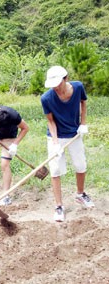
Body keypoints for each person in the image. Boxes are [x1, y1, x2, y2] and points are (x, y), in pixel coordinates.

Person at [41, 65, 94, 222]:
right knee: (55, 169)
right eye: (53, 85)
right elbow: (51, 122)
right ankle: (59, 206)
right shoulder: (46, 98)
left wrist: (82, 123)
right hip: (56, 136)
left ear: (66, 79)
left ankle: (80, 194)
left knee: (80, 165)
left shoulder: (78, 87)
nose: (56, 88)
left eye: (58, 83)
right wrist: (56, 143)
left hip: (75, 134)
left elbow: (83, 102)